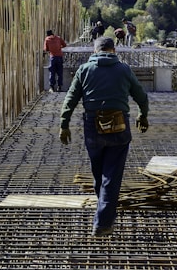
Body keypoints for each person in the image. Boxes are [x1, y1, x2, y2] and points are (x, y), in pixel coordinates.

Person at [59, 36, 149, 237]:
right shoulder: (124, 69)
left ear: (95, 51)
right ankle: (103, 222)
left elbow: (70, 99)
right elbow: (140, 95)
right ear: (113, 50)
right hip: (118, 126)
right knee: (111, 176)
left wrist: (64, 125)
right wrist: (143, 114)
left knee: (99, 173)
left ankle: (104, 212)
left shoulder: (84, 70)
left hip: (93, 127)